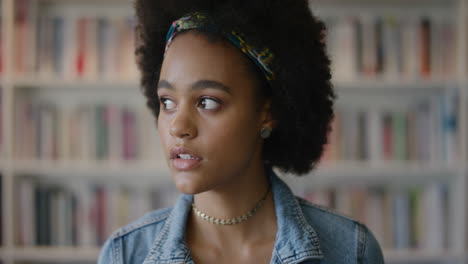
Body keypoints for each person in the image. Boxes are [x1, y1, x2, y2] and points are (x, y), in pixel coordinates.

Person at [98, 0, 385, 263]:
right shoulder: (124, 254)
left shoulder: (351, 250)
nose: (178, 127)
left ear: (268, 114)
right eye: (168, 102)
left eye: (207, 102)